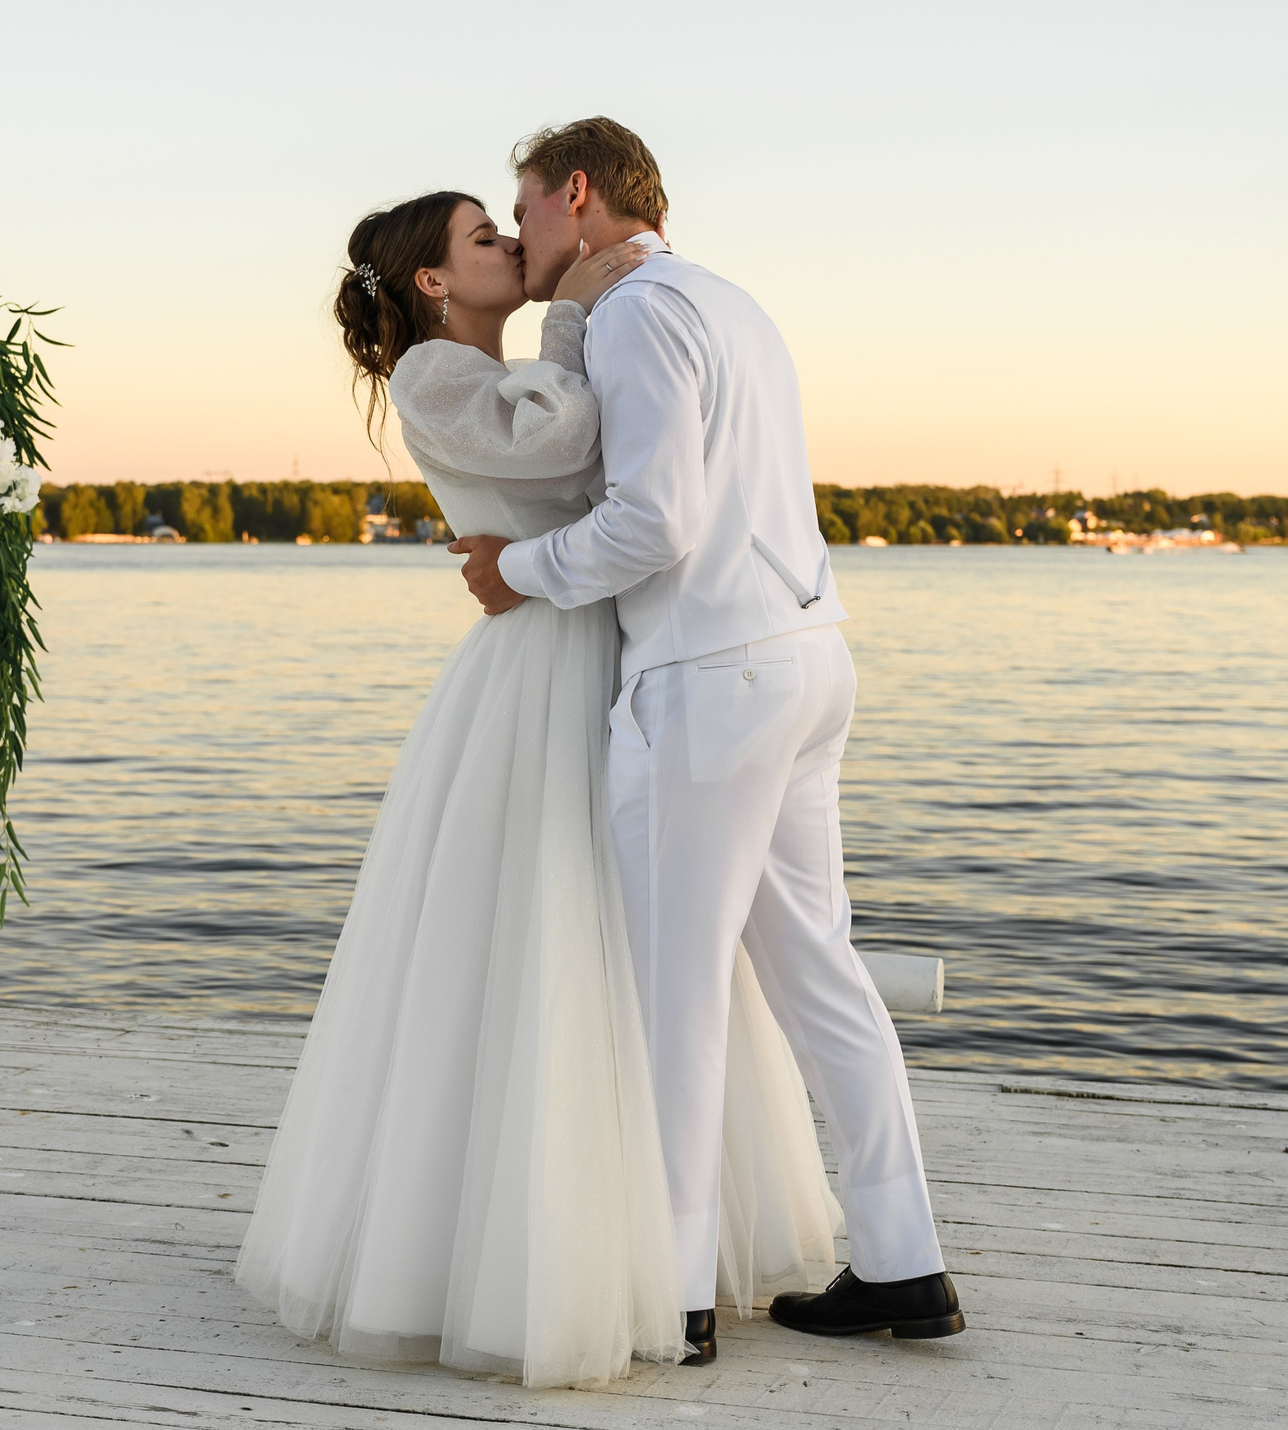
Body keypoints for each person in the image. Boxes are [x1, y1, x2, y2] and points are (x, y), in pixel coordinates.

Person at [234, 190, 841, 1388]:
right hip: (541, 674)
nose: (511, 247)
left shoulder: (497, 366)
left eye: (508, 229)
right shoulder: (436, 383)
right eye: (482, 238)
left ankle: (663, 1231)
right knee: (548, 938)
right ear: (429, 285)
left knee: (651, 948)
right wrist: (569, 317)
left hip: (614, 653)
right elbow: (562, 446)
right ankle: (525, 1250)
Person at [452, 119, 967, 1357]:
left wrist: (515, 568)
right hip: (807, 653)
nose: (518, 234)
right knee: (819, 971)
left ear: (576, 195)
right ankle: (904, 1262)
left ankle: (674, 1293)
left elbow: (655, 522)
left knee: (676, 989)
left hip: (712, 677)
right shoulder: (728, 302)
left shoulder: (635, 315)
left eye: (523, 210)